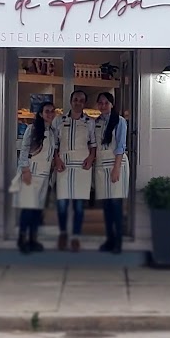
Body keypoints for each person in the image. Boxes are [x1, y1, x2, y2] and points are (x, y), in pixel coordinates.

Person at [9, 101, 56, 254]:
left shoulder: (53, 132)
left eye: (52, 111)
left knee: (37, 211)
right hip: (31, 173)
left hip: (44, 176)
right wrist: (25, 170)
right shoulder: (32, 129)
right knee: (28, 209)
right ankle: (22, 240)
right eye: (47, 111)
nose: (50, 114)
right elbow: (24, 150)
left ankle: (33, 239)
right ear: (41, 114)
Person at [53, 90, 96, 252]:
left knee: (79, 205)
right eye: (75, 99)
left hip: (82, 166)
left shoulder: (89, 122)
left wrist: (91, 158)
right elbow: (54, 144)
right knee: (62, 203)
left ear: (84, 103)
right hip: (63, 165)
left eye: (81, 100)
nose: (78, 102)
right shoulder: (60, 121)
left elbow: (93, 144)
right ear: (71, 101)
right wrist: (56, 159)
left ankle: (76, 236)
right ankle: (63, 233)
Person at [94, 92, 129, 254]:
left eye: (106, 103)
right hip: (101, 167)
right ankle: (109, 239)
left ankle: (118, 242)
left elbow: (121, 146)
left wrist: (116, 169)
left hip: (116, 165)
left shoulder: (119, 121)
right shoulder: (96, 122)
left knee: (116, 205)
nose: (103, 106)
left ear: (112, 104)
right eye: (100, 103)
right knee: (106, 206)